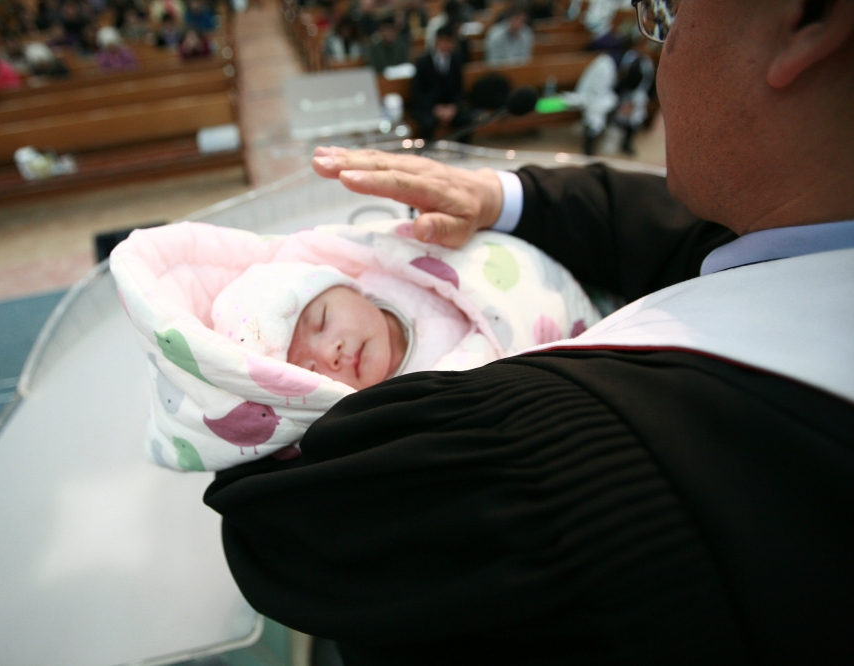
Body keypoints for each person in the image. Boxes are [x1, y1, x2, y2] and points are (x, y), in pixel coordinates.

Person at [205, 0, 854, 663]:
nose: (661, 46)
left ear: (807, 16)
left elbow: (282, 529)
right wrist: (503, 198)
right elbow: (673, 231)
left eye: (671, 10)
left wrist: (233, 388)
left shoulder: (549, 466)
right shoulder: (805, 235)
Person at [111, 218, 601, 473]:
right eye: (310, 370)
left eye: (322, 321)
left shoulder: (387, 271)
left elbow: (461, 261)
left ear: (349, 285)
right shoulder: (395, 408)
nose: (331, 353)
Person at [410, 24, 470, 140]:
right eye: (444, 41)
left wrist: (453, 107)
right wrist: (435, 109)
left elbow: (459, 89)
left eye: (450, 41)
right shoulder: (423, 62)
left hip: (450, 106)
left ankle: (462, 149)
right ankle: (427, 149)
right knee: (427, 123)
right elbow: (418, 92)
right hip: (429, 107)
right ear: (437, 41)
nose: (446, 45)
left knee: (466, 120)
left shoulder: (456, 61)